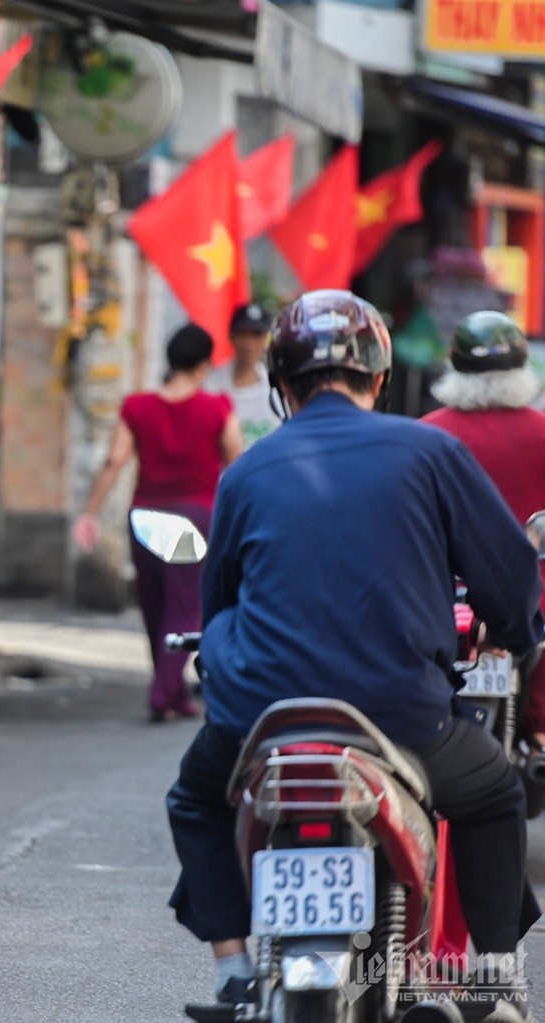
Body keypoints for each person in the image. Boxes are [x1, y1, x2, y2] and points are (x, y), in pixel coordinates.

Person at [166, 290, 543, 1017]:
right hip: (401, 715)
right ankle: (496, 981)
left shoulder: (247, 471)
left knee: (194, 795)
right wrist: (515, 632)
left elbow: (220, 607)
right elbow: (509, 573)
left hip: (261, 717)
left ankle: (234, 971)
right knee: (496, 794)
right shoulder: (431, 450)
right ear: (378, 379)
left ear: (281, 385)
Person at [73, 324, 243, 722]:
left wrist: (91, 512)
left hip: (145, 519)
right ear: (203, 364)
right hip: (195, 519)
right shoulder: (217, 407)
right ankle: (162, 692)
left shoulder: (137, 406)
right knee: (185, 609)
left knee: (155, 607)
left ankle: (174, 693)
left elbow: (115, 461)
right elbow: (237, 464)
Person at [421, 311, 545, 751]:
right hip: (528, 597)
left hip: (439, 596)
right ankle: (539, 731)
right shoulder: (541, 432)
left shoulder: (425, 435)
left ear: (455, 363)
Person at [205, 302, 278, 448]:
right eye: (243, 335)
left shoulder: (276, 391)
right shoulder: (210, 387)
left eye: (256, 336)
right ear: (231, 336)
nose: (249, 344)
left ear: (266, 340)